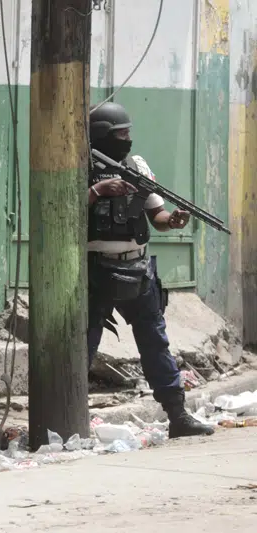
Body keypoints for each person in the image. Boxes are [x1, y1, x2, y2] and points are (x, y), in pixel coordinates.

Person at [86, 102, 214, 439]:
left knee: (155, 343)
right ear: (101, 136)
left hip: (138, 269)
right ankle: (70, 418)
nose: (128, 140)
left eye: (129, 133)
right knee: (82, 346)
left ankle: (177, 415)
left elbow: (156, 216)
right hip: (95, 271)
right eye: (121, 134)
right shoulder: (78, 165)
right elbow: (61, 210)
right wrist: (97, 191)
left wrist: (172, 220)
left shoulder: (135, 166)